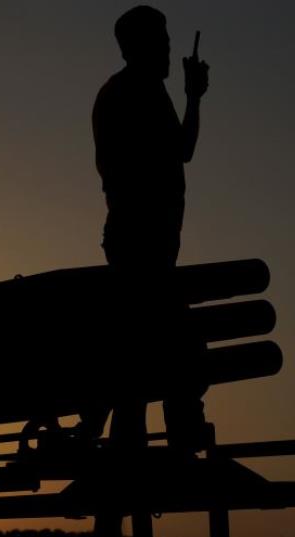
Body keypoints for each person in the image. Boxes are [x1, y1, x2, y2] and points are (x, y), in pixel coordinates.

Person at [84, 5, 211, 454]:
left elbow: (181, 152)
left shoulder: (138, 91)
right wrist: (192, 97)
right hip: (142, 245)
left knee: (143, 360)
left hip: (144, 243)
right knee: (171, 350)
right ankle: (174, 440)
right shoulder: (133, 92)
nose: (168, 50)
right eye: (162, 42)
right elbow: (178, 154)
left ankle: (144, 448)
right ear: (138, 46)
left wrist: (192, 97)